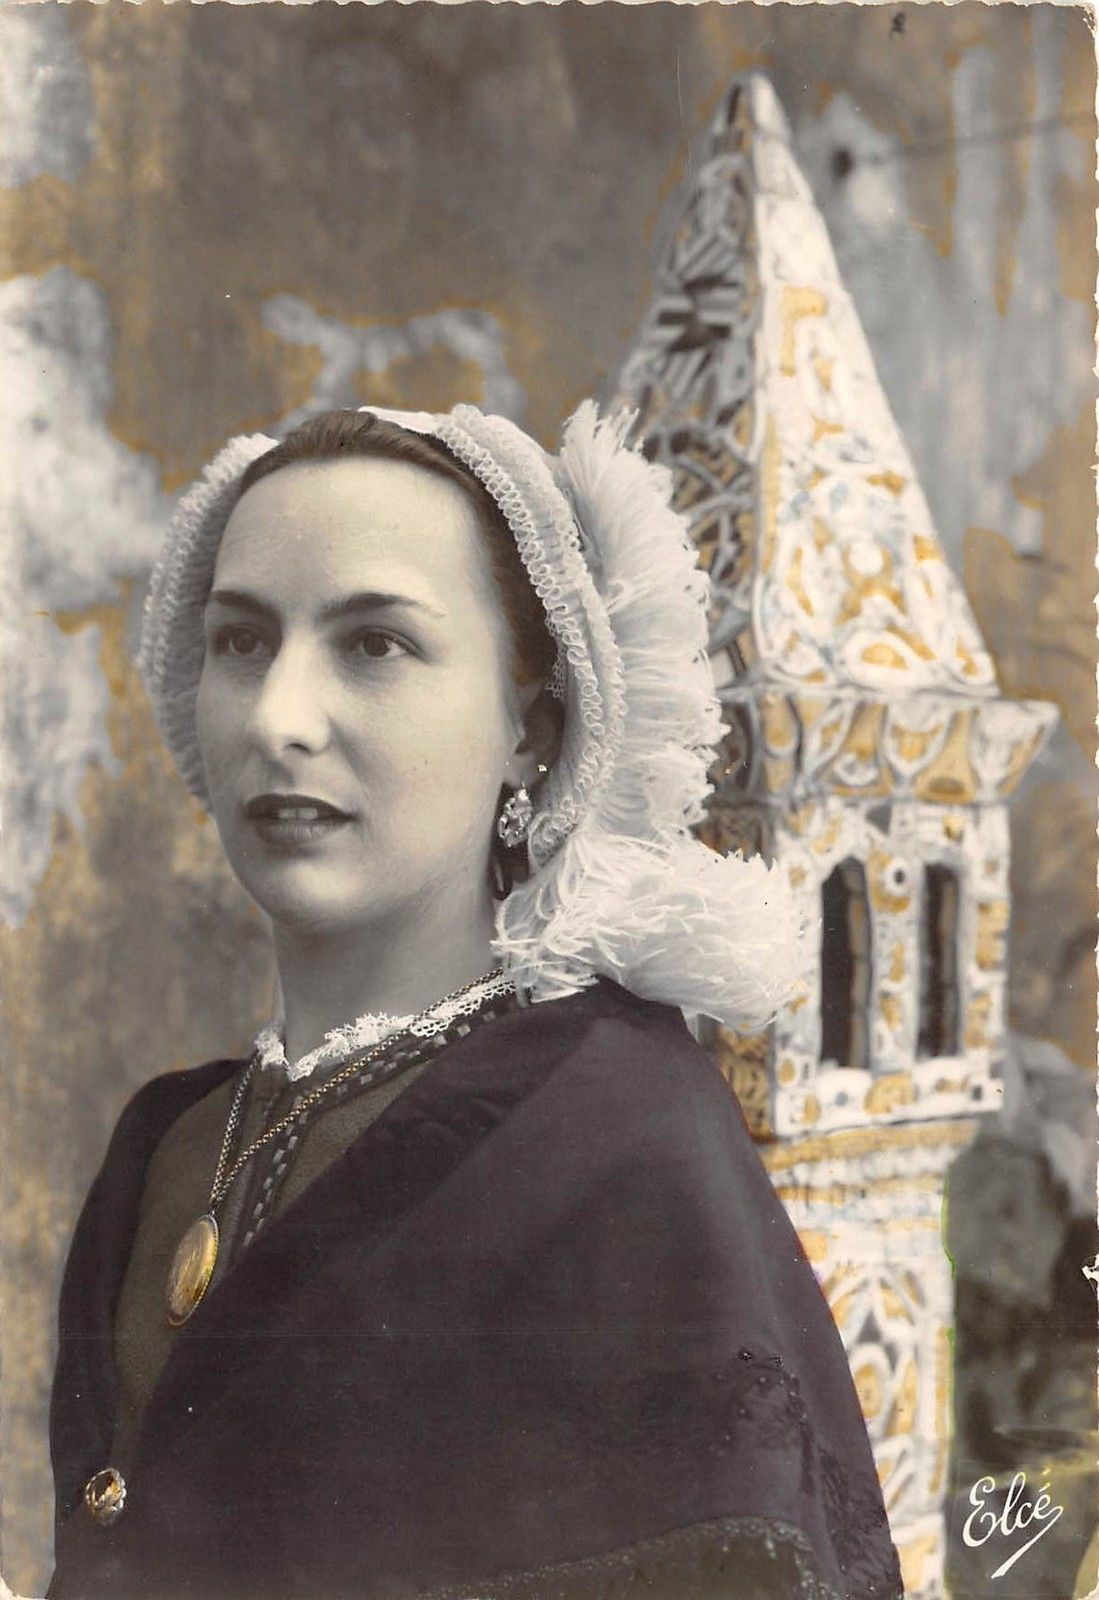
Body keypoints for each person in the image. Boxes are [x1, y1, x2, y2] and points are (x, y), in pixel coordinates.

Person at [47, 401, 904, 1600]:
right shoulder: (168, 1146)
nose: (279, 718)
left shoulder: (621, 1141)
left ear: (530, 729)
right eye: (241, 641)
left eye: (374, 644)